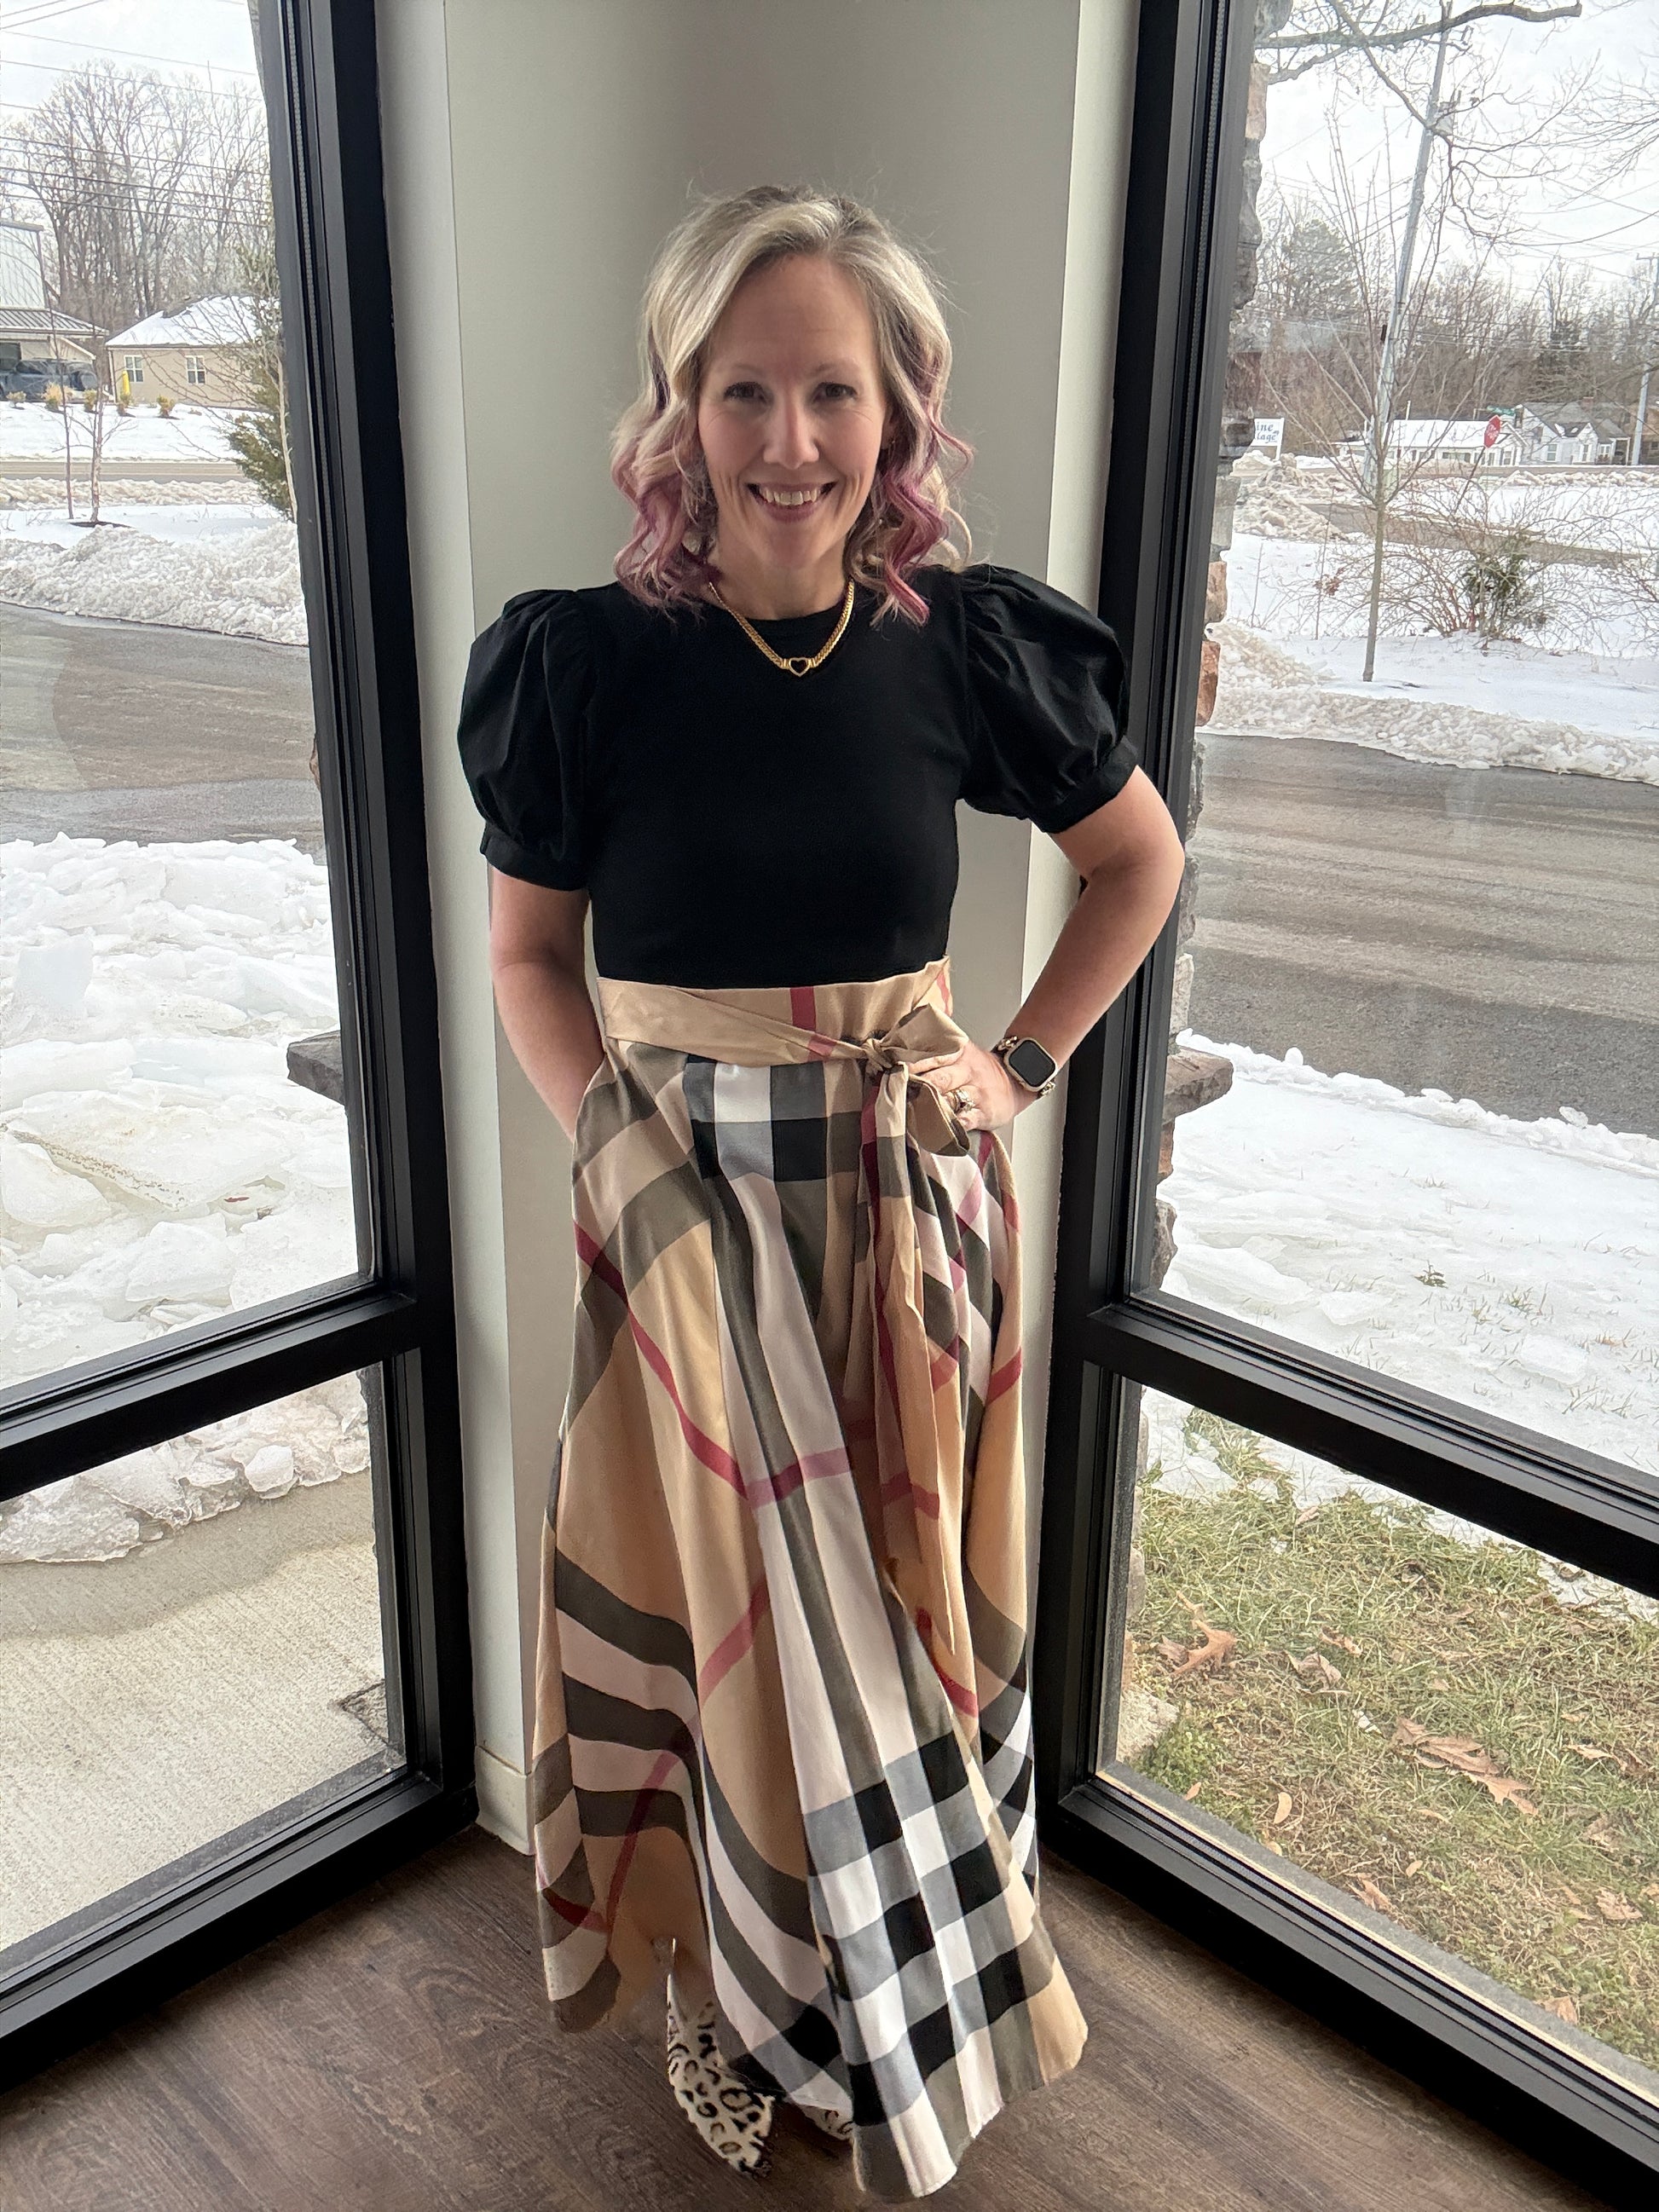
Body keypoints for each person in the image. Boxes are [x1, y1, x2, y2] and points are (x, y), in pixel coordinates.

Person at [456, 183, 1185, 2201]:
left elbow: (1136, 863)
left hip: (910, 1208)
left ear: (898, 408)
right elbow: (529, 962)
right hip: (684, 1214)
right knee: (740, 1639)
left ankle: (903, 1977)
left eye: (832, 390)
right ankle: (739, 1992)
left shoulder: (966, 646)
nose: (789, 441)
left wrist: (1016, 1063)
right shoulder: (584, 665)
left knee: (910, 1611)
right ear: (678, 412)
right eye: (743, 390)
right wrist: (625, 1165)